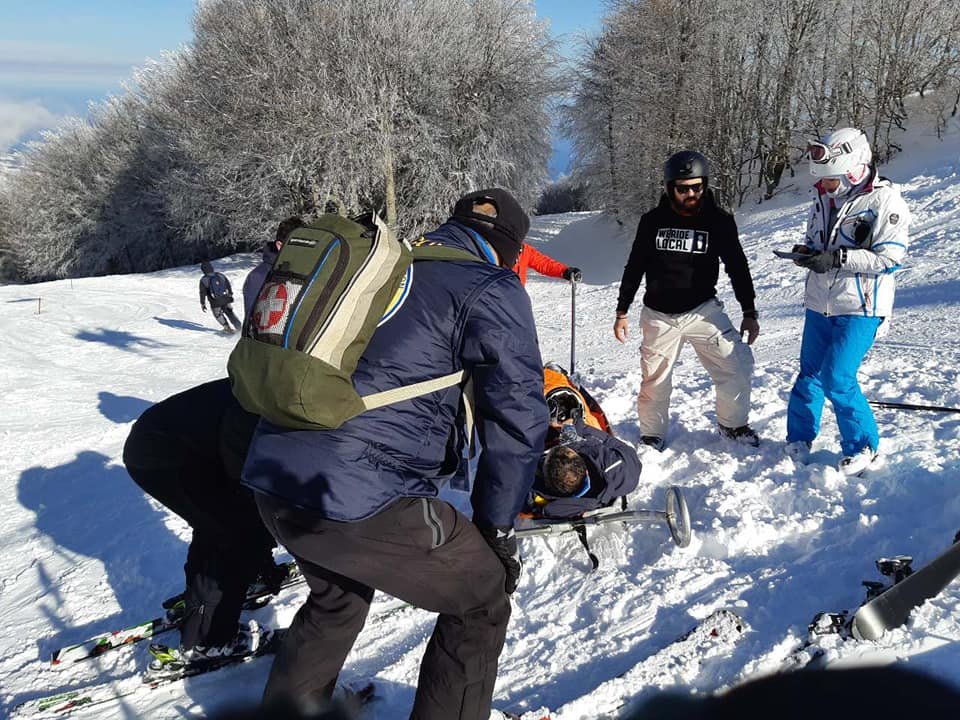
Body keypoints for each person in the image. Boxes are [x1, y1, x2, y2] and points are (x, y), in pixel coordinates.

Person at [241, 189, 548, 719]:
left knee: (336, 600)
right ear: (511, 249)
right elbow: (518, 418)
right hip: (360, 498)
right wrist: (496, 530)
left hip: (274, 477)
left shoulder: (383, 267)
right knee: (480, 602)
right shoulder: (488, 285)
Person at [122, 379, 283, 675]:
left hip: (175, 445)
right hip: (164, 456)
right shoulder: (271, 406)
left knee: (219, 526)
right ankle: (211, 640)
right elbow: (250, 482)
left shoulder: (270, 381)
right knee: (236, 537)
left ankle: (206, 605)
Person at [613, 150, 760, 452]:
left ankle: (732, 426)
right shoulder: (652, 221)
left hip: (703, 311)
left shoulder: (719, 221)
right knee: (655, 379)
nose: (691, 194)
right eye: (683, 188)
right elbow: (635, 265)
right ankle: (652, 434)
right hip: (658, 314)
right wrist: (622, 310)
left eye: (697, 187)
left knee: (737, 364)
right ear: (669, 188)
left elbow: (738, 266)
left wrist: (749, 311)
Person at [785, 128, 910, 476]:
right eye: (822, 181)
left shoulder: (885, 201)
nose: (825, 187)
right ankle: (799, 438)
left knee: (837, 376)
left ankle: (863, 446)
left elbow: (890, 260)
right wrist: (807, 253)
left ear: (854, 170)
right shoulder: (823, 198)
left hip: (861, 307)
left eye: (832, 181)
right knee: (808, 375)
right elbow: (816, 238)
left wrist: (838, 260)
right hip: (820, 302)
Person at [527, 418, 641, 519]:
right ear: (585, 468)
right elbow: (607, 440)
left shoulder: (570, 503)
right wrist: (576, 426)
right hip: (626, 469)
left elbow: (548, 510)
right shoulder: (624, 462)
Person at [242, 216, 302, 320]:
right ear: (280, 245)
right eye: (297, 245)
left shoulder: (312, 268)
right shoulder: (258, 277)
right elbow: (252, 322)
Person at [512, 241, 581, 286]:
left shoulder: (524, 249)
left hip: (518, 298)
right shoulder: (501, 252)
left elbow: (543, 263)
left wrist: (565, 271)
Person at [200, 260, 242, 333]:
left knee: (218, 315)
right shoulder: (220, 275)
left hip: (215, 302)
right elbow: (228, 284)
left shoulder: (203, 279)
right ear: (211, 267)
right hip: (225, 298)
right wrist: (230, 294)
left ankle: (227, 328)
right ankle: (239, 328)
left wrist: (203, 303)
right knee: (230, 313)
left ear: (203, 270)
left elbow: (202, 293)